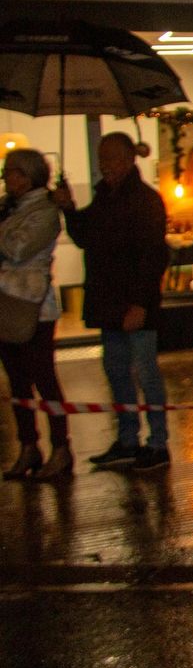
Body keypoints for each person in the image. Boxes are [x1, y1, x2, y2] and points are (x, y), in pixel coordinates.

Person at [52, 132, 170, 470]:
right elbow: (86, 237)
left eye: (113, 159)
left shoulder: (145, 200)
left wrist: (140, 303)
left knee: (146, 372)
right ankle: (128, 438)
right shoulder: (105, 198)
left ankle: (158, 442)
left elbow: (152, 256)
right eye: (102, 160)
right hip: (108, 302)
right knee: (116, 372)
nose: (107, 167)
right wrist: (69, 209)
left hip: (134, 304)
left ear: (130, 159)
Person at [0, 148, 71, 479]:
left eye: (13, 172)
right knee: (17, 382)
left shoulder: (44, 211)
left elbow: (18, 248)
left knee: (44, 379)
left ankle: (61, 447)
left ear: (29, 176)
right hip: (6, 299)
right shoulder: (10, 209)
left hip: (33, 305)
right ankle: (28, 445)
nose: (7, 178)